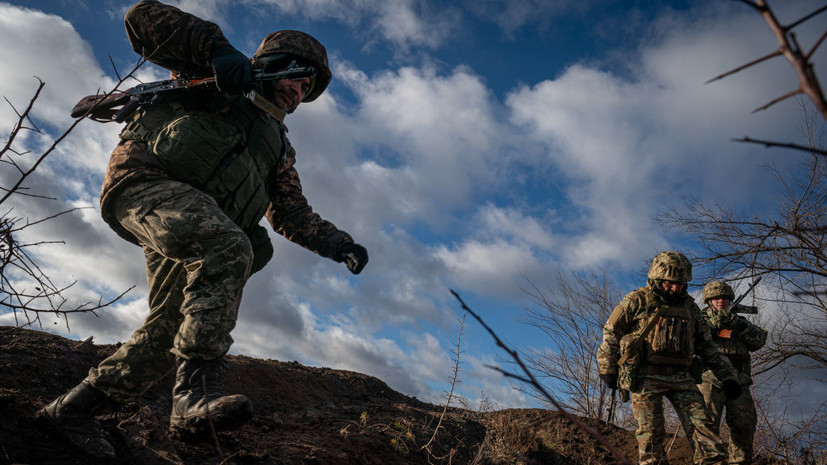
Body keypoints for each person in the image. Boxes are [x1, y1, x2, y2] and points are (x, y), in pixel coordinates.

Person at [36, 0, 368, 459]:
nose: (299, 91)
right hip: (147, 186)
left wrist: (340, 244)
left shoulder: (278, 148)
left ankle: (69, 411)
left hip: (198, 225)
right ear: (273, 66)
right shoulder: (210, 75)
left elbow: (291, 212)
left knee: (165, 334)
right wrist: (216, 50)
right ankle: (194, 397)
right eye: (297, 77)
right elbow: (142, 18)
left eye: (308, 87)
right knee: (231, 246)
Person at [597, 251, 741, 465]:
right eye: (670, 283)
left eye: (681, 283)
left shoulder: (690, 308)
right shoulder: (636, 300)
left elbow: (706, 345)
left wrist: (728, 376)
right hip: (646, 376)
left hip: (682, 377)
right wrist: (607, 368)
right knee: (652, 437)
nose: (676, 288)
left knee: (706, 433)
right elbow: (611, 333)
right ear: (657, 278)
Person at [697, 281, 767, 464]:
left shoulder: (739, 322)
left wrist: (740, 326)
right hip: (709, 378)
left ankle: (740, 461)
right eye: (716, 298)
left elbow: (759, 341)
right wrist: (712, 326)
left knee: (744, 423)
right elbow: (689, 340)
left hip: (739, 380)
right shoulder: (699, 320)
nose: (721, 301)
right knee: (707, 425)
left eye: (725, 298)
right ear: (709, 300)